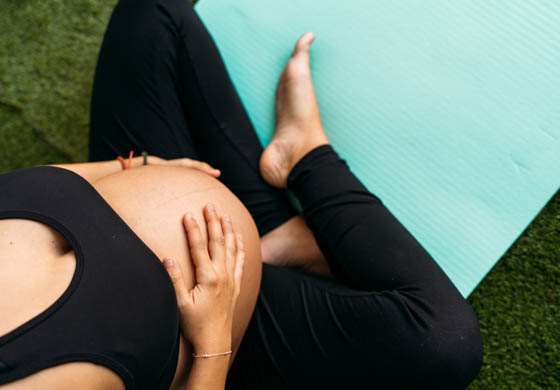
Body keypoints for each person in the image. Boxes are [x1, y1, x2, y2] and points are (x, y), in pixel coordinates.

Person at [0, 0, 483, 389]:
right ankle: (307, 158)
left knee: (155, 14)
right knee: (444, 343)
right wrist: (213, 341)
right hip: (217, 320)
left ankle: (273, 236)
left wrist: (133, 165)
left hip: (166, 197)